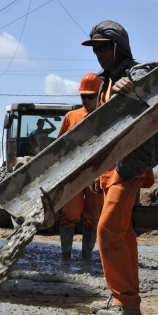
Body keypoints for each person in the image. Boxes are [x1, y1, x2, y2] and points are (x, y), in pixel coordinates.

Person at [82, 21, 158, 315]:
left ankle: (125, 303)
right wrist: (94, 172)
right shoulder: (106, 82)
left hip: (127, 168)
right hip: (110, 169)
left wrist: (132, 90)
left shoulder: (137, 73)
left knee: (107, 231)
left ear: (118, 48)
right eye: (95, 48)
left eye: (103, 47)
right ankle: (124, 298)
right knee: (123, 233)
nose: (98, 53)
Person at [58, 73, 104, 261]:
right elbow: (60, 148)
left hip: (97, 175)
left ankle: (87, 258)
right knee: (69, 215)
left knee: (93, 217)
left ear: (100, 94)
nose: (86, 99)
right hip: (74, 176)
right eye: (82, 96)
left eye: (90, 96)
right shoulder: (72, 117)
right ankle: (66, 257)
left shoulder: (107, 117)